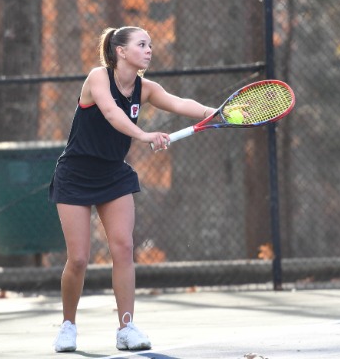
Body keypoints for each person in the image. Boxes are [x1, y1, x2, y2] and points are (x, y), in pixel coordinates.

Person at [49, 26, 217, 353]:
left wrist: (216, 113)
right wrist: (144, 136)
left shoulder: (147, 88)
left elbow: (181, 103)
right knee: (79, 258)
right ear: (121, 51)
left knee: (124, 248)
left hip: (113, 174)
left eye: (150, 45)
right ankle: (68, 325)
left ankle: (126, 328)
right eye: (142, 44)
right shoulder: (98, 77)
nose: (149, 50)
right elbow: (112, 113)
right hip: (75, 175)